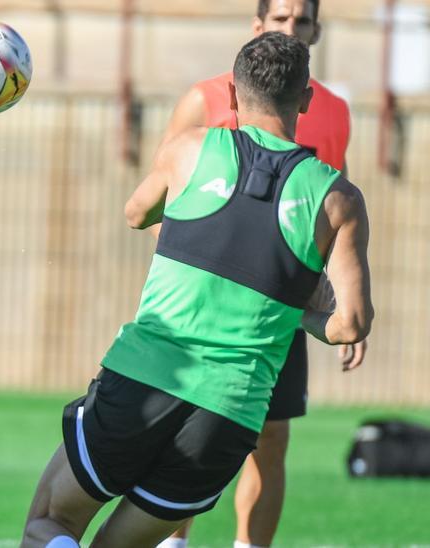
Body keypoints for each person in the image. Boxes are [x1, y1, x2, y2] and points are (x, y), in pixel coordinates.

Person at [22, 32, 373, 547]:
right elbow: (351, 325)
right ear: (305, 98)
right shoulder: (338, 198)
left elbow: (136, 213)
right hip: (229, 415)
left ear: (231, 96)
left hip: (142, 381)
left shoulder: (189, 149)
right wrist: (295, 302)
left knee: (49, 524)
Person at [154, 2, 368, 546]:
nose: (290, 29)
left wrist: (339, 300)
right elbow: (159, 203)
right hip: (202, 306)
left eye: (301, 21)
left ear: (317, 29)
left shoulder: (334, 112)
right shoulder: (205, 100)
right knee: (179, 433)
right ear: (257, 27)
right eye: (279, 19)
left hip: (280, 310)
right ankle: (172, 540)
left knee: (269, 441)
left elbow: (331, 220)